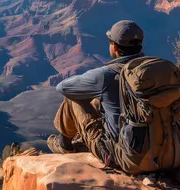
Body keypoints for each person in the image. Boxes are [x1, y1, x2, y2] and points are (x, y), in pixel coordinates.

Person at [47, 20, 145, 168]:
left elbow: (62, 87)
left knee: (73, 98)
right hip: (167, 154)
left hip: (125, 158)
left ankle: (65, 145)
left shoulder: (107, 75)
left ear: (115, 47)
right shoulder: (155, 70)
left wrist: (91, 85)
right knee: (99, 101)